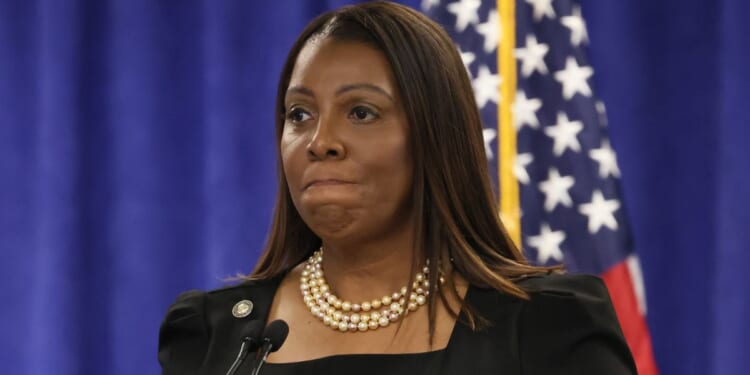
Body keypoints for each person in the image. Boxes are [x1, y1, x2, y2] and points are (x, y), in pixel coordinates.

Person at [158, 2, 637, 374]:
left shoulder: (544, 328)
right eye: (299, 115)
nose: (320, 142)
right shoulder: (212, 336)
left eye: (362, 113)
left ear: (435, 137)